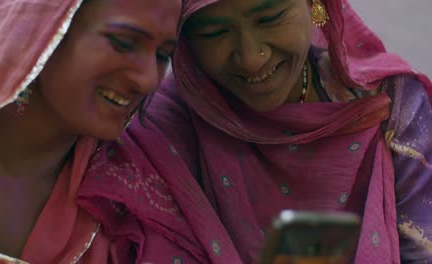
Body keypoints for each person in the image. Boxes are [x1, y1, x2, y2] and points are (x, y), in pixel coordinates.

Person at [78, 0, 432, 263]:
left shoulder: (390, 103)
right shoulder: (159, 134)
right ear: (183, 42)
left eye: (271, 17)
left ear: (315, 6)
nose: (252, 57)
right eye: (214, 32)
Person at [0, 0, 181, 262]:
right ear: (40, 27)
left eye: (162, 55)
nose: (147, 80)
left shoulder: (125, 206)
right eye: (123, 43)